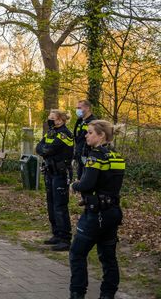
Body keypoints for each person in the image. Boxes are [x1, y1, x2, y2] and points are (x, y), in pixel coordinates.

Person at [69, 120, 125, 299]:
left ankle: (77, 294)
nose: (86, 135)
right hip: (112, 213)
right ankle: (107, 295)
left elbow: (87, 183)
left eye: (90, 132)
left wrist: (75, 185)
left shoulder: (95, 156)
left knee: (77, 254)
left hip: (96, 215)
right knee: (108, 258)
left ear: (101, 135)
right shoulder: (117, 156)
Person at [35, 109, 74, 251]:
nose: (49, 120)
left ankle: (65, 238)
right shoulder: (50, 132)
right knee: (51, 205)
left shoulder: (65, 134)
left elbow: (48, 150)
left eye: (51, 118)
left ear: (60, 120)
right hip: (50, 173)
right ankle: (56, 234)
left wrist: (44, 150)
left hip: (60, 174)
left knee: (60, 206)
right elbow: (38, 148)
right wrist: (43, 149)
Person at [73, 99, 97, 180]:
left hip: (88, 155)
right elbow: (77, 138)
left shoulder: (93, 122)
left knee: (86, 179)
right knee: (80, 178)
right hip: (80, 155)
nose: (77, 110)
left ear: (87, 108)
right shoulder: (80, 121)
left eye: (79, 108)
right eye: (77, 108)